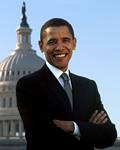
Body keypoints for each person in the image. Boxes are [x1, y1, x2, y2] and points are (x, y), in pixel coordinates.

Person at [16, 18, 117, 150]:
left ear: (74, 44)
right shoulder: (28, 85)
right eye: (52, 42)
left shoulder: (88, 86)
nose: (59, 47)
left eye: (66, 40)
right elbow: (42, 137)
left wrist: (73, 128)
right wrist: (89, 129)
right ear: (41, 45)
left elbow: (109, 136)